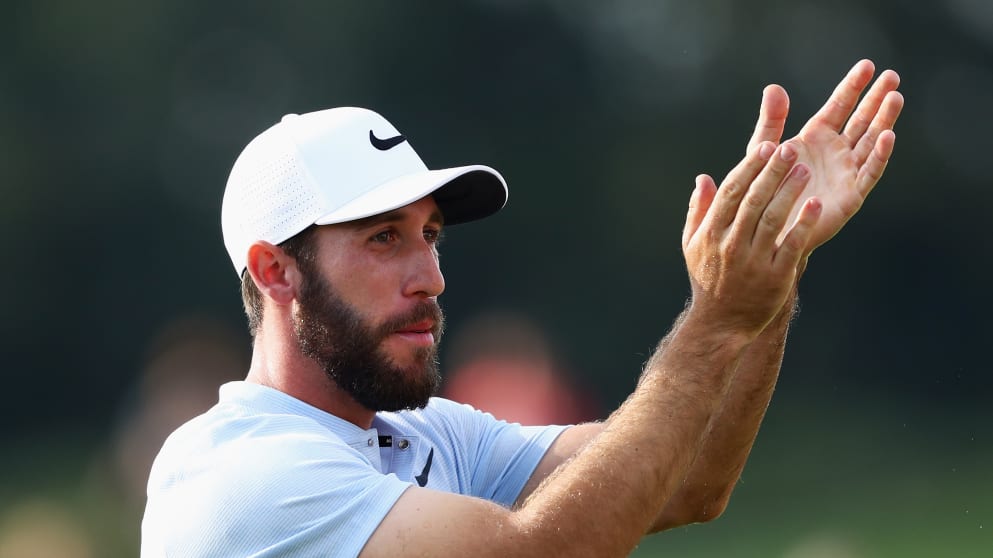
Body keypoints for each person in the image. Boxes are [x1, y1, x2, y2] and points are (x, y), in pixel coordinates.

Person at [141, 59, 903, 557]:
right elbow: (540, 554)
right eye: (382, 239)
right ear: (275, 271)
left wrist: (773, 265)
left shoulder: (427, 435)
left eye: (430, 235)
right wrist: (715, 322)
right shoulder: (242, 475)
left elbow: (688, 480)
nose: (431, 276)